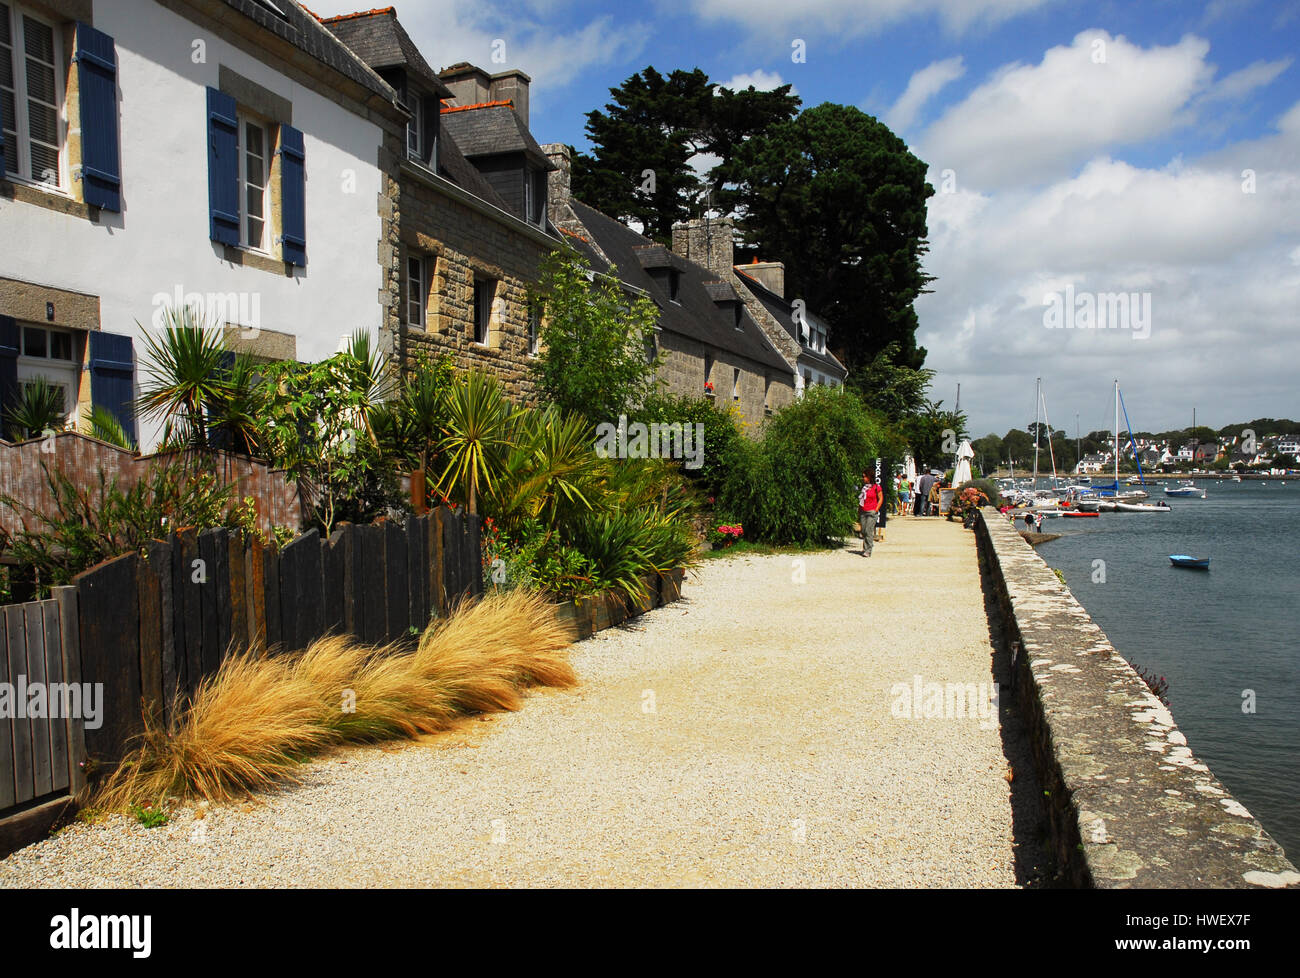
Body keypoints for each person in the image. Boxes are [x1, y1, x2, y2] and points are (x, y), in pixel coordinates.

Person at [858, 472, 882, 557]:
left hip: (872, 512)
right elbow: (861, 500)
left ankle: (868, 550)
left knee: (868, 530)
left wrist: (876, 509)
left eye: (864, 476)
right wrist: (859, 511)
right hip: (863, 511)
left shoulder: (876, 487)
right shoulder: (864, 488)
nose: (863, 478)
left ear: (869, 477)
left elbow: (880, 498)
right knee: (864, 531)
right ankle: (865, 548)